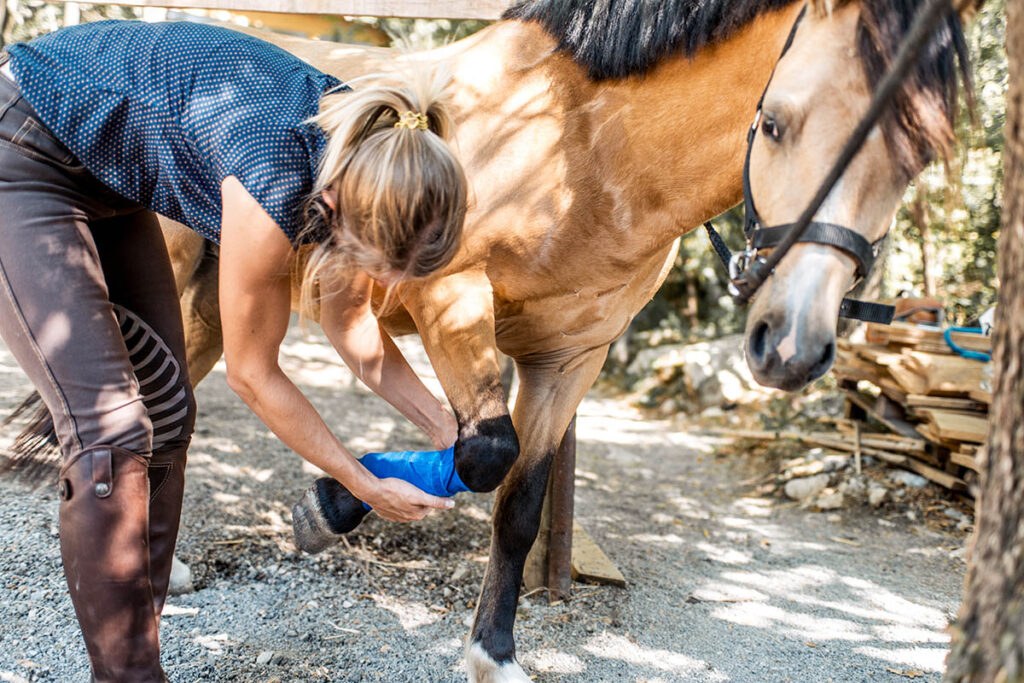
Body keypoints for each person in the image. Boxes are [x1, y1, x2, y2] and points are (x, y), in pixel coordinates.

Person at [0, 18, 466, 682]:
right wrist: (360, 484)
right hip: (23, 146)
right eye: (388, 268)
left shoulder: (368, 154)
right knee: (110, 426)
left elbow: (356, 331)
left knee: (167, 412)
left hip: (107, 179)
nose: (390, 286)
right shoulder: (274, 177)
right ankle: (129, 673)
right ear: (343, 207)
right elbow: (253, 374)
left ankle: (136, 628)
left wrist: (447, 426)